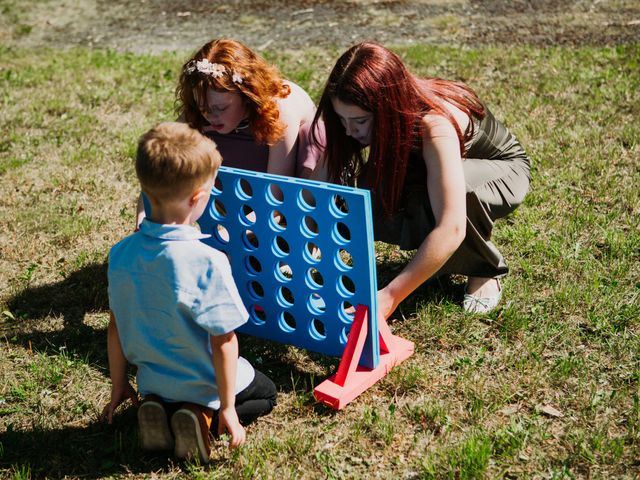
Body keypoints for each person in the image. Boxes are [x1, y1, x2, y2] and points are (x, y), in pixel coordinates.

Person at [309, 42, 531, 316]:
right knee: (379, 193)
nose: (349, 130)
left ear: (388, 108)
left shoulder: (435, 125)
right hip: (425, 167)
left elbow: (451, 227)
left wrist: (391, 295)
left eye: (361, 121)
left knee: (458, 194)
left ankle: (484, 268)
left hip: (501, 170)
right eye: (342, 120)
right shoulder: (353, 123)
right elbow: (316, 187)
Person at [105, 122, 277, 463]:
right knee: (266, 392)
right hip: (203, 380)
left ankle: (161, 408)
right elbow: (224, 340)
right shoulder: (207, 260)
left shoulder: (120, 254)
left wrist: (119, 384)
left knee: (166, 392)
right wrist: (228, 407)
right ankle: (202, 416)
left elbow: (116, 326)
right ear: (197, 198)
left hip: (152, 381)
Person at [135, 38, 321, 227]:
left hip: (289, 190)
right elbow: (161, 166)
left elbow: (276, 198)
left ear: (248, 96)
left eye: (221, 108)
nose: (210, 116)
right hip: (241, 186)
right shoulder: (203, 111)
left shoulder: (280, 113)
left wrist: (232, 235)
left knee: (315, 139)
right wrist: (143, 221)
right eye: (202, 106)